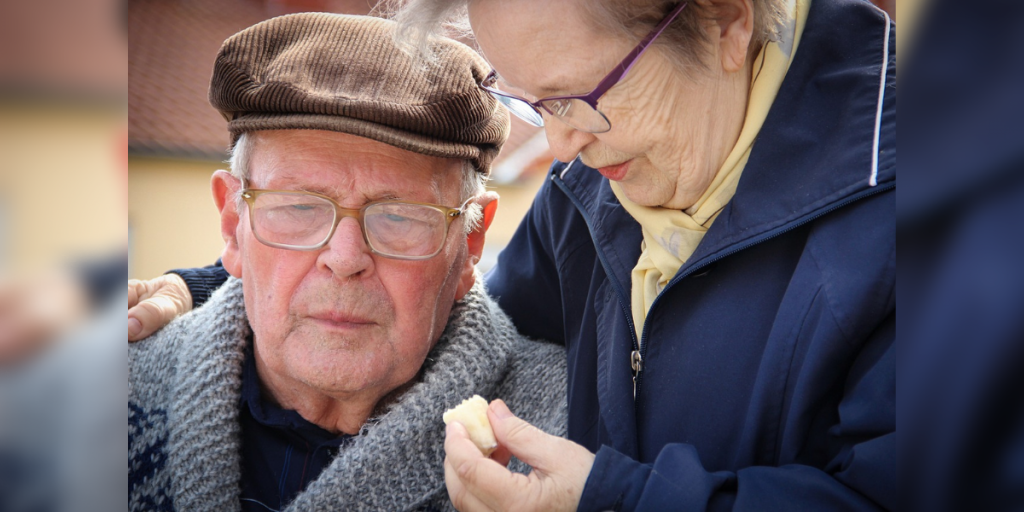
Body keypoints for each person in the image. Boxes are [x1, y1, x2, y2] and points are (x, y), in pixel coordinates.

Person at [130, 0, 896, 509]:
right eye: (532, 104)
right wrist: (214, 294)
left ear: (727, 22)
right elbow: (441, 305)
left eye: (581, 96)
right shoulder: (589, 190)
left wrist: (615, 502)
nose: (559, 147)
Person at [128, 13, 568, 512]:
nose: (345, 259)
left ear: (470, 242)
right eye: (299, 206)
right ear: (233, 224)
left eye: (400, 216)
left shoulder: (566, 436)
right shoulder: (95, 398)